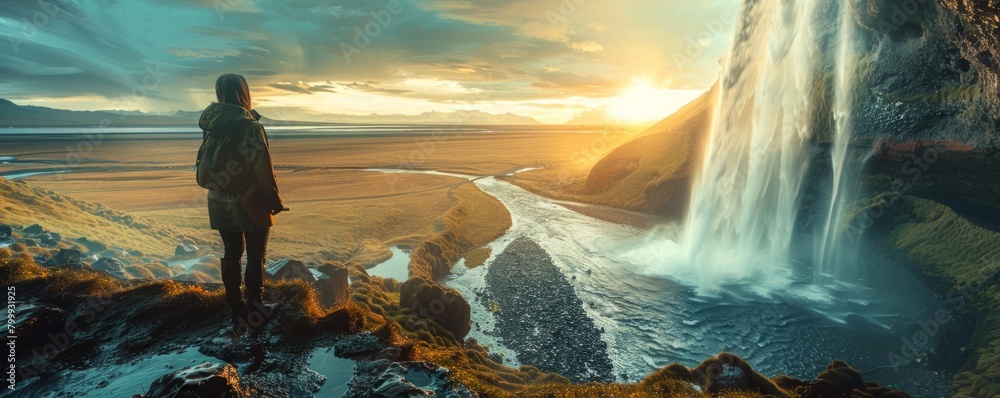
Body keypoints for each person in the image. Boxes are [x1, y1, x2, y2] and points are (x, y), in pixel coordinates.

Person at [197, 73, 286, 335]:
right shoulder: (250, 127)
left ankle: (237, 311)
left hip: (219, 202)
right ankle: (256, 308)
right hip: (250, 202)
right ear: (244, 92)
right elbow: (263, 171)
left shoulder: (211, 125)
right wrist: (275, 203)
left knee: (231, 254)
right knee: (256, 255)